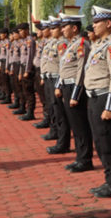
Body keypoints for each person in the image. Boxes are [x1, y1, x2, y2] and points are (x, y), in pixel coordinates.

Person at [84, 6, 111, 198]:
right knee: (100, 141)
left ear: (108, 24)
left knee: (109, 142)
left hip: (104, 98)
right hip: (94, 97)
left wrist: (110, 107)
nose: (93, 26)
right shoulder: (98, 44)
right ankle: (109, 179)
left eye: (97, 22)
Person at [54, 13, 93, 171]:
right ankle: (80, 157)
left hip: (75, 89)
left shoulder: (82, 44)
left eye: (65, 26)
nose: (62, 29)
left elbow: (81, 70)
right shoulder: (70, 44)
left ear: (75, 28)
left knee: (80, 126)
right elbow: (64, 68)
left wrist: (75, 95)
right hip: (67, 86)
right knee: (74, 125)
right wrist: (59, 85)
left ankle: (85, 159)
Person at [45, 16, 70, 152]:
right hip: (50, 78)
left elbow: (63, 66)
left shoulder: (62, 44)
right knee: (54, 110)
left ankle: (63, 143)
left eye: (54, 28)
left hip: (57, 79)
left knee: (61, 114)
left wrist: (59, 85)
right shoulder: (53, 42)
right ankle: (58, 137)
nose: (52, 30)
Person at [17, 23, 36, 121]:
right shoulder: (23, 41)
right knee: (24, 90)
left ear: (26, 30)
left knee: (29, 91)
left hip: (28, 69)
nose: (20, 33)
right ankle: (26, 109)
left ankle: (30, 112)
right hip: (23, 67)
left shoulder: (30, 41)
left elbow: (30, 57)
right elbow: (21, 59)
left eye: (21, 31)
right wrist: (20, 72)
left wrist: (27, 70)